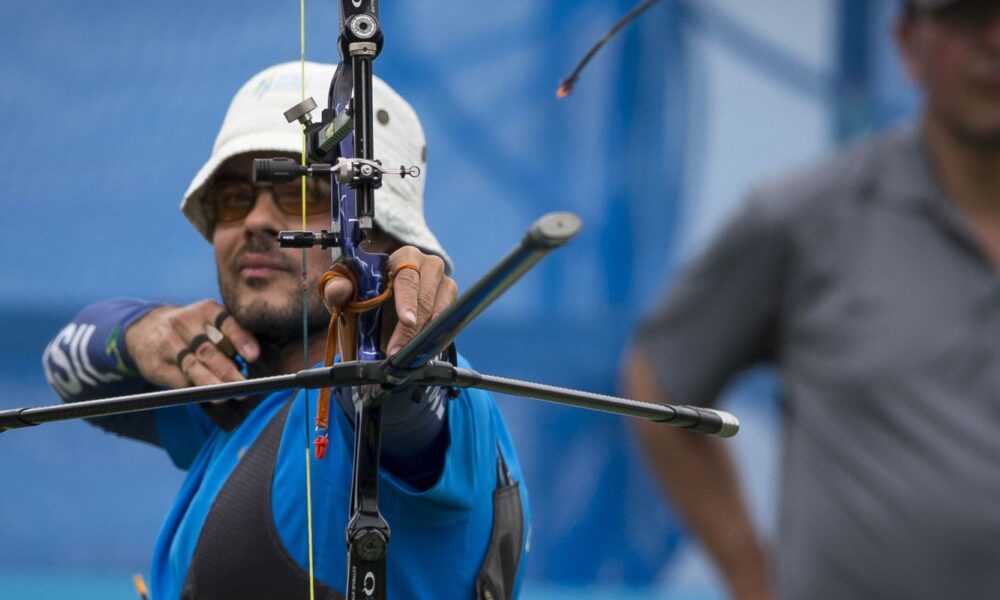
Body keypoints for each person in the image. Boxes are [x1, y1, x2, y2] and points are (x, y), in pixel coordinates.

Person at [42, 61, 529, 600]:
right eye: (234, 200)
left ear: (383, 237)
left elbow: (406, 408)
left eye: (304, 194)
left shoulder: (430, 411)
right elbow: (67, 368)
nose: (256, 219)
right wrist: (142, 333)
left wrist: (402, 345)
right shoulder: (231, 392)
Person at [624, 0, 1000, 598]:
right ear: (906, 43)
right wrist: (750, 573)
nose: (994, 39)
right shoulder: (806, 219)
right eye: (963, 14)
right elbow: (658, 378)